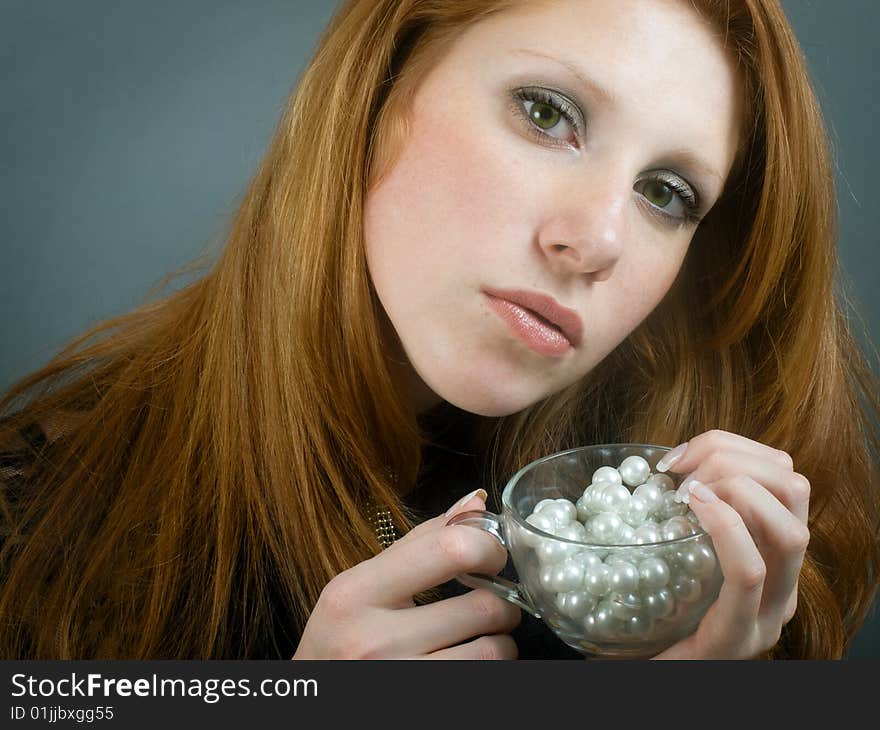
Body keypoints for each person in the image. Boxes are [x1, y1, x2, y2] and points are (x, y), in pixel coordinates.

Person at [0, 0, 878, 660]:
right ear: (382, 87)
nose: (597, 241)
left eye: (665, 193)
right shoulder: (32, 524)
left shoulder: (692, 573)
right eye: (546, 113)